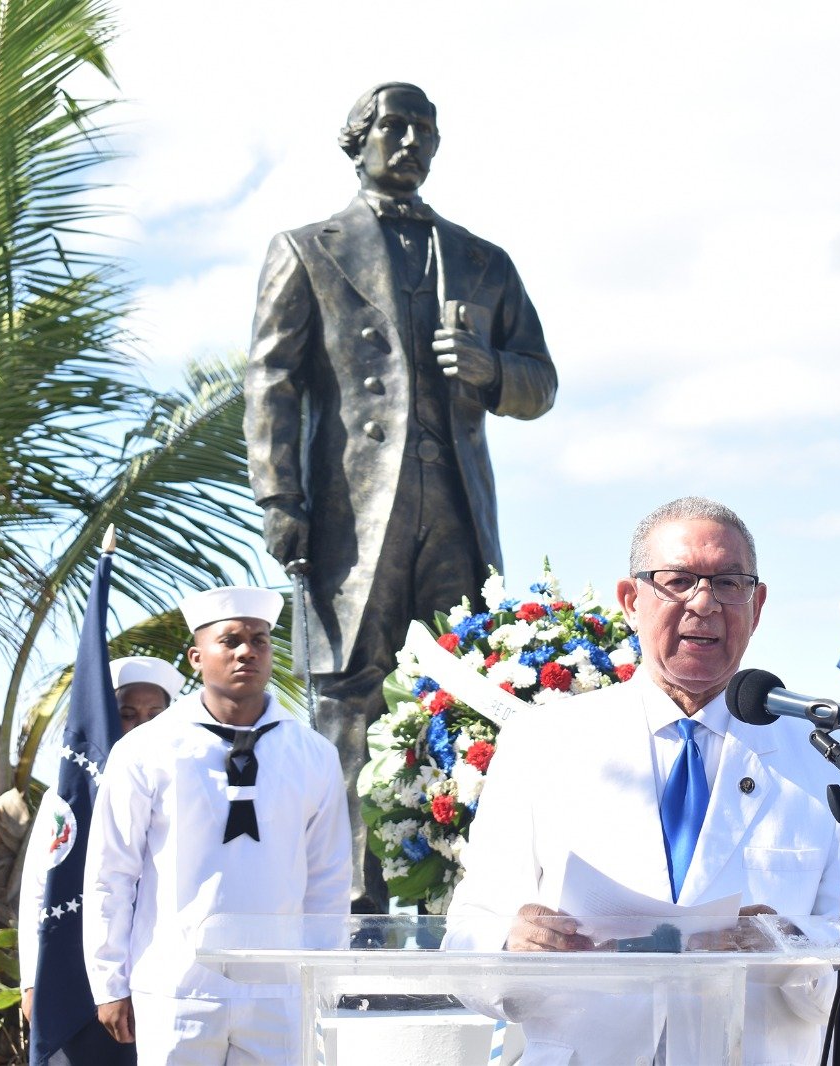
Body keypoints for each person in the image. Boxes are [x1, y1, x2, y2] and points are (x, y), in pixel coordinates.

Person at [245, 81, 558, 909]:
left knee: (463, 693)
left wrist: (492, 372)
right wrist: (280, 499)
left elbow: (542, 383)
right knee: (349, 694)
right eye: (393, 126)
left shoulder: (485, 261)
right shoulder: (308, 247)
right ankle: (349, 899)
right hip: (350, 517)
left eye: (425, 128)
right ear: (357, 140)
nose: (410, 140)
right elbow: (270, 379)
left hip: (455, 508)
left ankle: (456, 891)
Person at [446, 496, 840, 1064]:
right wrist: (512, 944)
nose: (704, 603)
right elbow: (468, 933)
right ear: (631, 601)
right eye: (679, 580)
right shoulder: (544, 741)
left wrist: (788, 946)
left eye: (728, 583)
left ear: (757, 606)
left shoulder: (826, 758)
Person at [81, 586, 353, 1064]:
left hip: (280, 992)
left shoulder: (312, 754)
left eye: (260, 639)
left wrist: (321, 979)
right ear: (195, 656)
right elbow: (111, 873)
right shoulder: (146, 749)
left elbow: (328, 877)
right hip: (175, 987)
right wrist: (108, 981)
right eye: (230, 640)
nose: (247, 650)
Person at [20, 656, 185, 1027]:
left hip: (160, 972)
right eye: (128, 713)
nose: (142, 725)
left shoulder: (189, 788)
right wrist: (32, 981)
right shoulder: (69, 797)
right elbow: (39, 889)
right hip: (73, 964)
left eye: (154, 714)